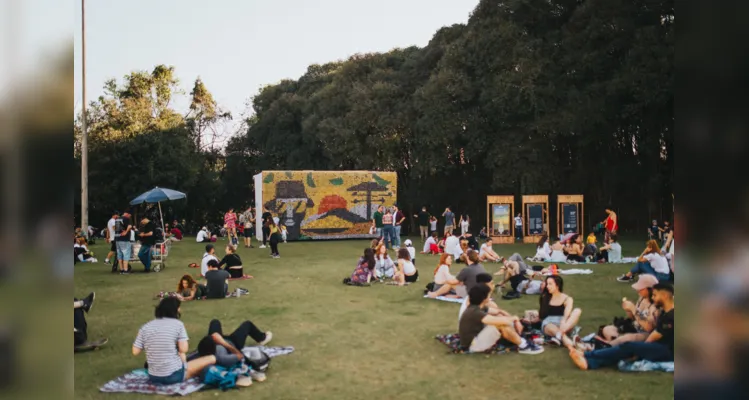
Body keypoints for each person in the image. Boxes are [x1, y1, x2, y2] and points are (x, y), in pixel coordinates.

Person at [567, 283, 674, 370]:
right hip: (661, 347)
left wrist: (641, 349)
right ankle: (589, 361)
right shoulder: (666, 312)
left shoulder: (671, 315)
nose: (653, 298)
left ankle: (587, 356)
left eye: (655, 295)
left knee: (629, 346)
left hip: (667, 350)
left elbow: (654, 336)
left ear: (664, 296)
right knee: (626, 350)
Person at [132, 297, 217, 385]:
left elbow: (135, 351)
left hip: (154, 377)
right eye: (179, 307)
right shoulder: (178, 325)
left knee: (181, 356)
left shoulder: (146, 327)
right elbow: (184, 349)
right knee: (212, 358)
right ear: (174, 310)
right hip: (173, 375)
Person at [459, 285, 544, 354]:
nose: (490, 296)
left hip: (477, 338)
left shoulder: (477, 307)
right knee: (500, 325)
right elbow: (499, 321)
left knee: (500, 318)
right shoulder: (475, 312)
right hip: (472, 345)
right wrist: (515, 319)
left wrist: (512, 319)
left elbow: (498, 312)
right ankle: (524, 345)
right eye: (489, 294)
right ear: (484, 298)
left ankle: (519, 339)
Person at [525, 275, 582, 347]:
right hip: (549, 324)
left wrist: (563, 322)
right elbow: (541, 316)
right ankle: (568, 342)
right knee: (549, 326)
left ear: (557, 285)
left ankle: (560, 335)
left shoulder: (567, 298)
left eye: (550, 284)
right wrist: (530, 321)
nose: (547, 286)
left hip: (564, 323)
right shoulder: (545, 297)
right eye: (547, 284)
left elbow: (567, 314)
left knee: (577, 310)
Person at [195, 319, 272, 372]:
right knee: (247, 324)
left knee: (215, 322)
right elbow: (239, 356)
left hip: (218, 340)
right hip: (232, 343)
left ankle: (216, 338)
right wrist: (223, 343)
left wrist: (216, 338)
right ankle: (262, 338)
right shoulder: (222, 358)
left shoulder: (202, 351)